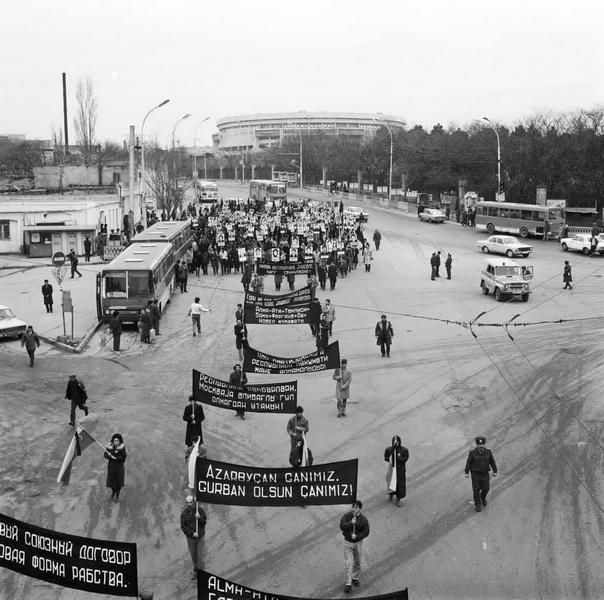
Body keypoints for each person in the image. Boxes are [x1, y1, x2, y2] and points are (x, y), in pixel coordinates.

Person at [339, 501, 370, 593]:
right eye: (353, 507)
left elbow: (366, 531)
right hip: (347, 542)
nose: (354, 509)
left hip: (358, 543)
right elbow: (342, 526)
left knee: (358, 562)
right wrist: (350, 523)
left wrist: (357, 536)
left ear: (360, 508)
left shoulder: (363, 519)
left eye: (356, 507)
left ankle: (355, 577)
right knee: (348, 563)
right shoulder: (347, 516)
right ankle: (348, 583)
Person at [464, 436, 498, 512]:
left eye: (482, 444)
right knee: (476, 490)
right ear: (477, 445)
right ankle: (478, 505)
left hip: (485, 474)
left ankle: (482, 497)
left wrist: (495, 471)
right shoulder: (472, 453)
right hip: (475, 474)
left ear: (484, 444)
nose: (480, 446)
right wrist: (466, 472)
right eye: (479, 444)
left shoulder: (488, 452)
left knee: (486, 489)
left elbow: (492, 462)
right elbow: (468, 463)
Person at [180, 495, 207, 579]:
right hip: (191, 538)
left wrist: (199, 518)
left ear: (194, 502)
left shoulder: (200, 511)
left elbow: (204, 523)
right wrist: (192, 533)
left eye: (190, 502)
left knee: (199, 556)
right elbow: (183, 527)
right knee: (194, 555)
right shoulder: (184, 514)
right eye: (187, 502)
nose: (189, 504)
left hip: (200, 537)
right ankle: (196, 571)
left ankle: (201, 572)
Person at [384, 435, 409, 506]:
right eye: (395, 442)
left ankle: (398, 499)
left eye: (397, 441)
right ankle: (391, 495)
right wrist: (389, 459)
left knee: (399, 485)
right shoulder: (390, 449)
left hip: (399, 471)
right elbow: (386, 456)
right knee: (391, 483)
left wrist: (399, 457)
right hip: (392, 470)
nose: (396, 443)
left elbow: (405, 458)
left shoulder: (404, 450)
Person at [104, 433, 127, 502]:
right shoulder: (109, 447)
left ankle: (117, 495)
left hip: (119, 467)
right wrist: (109, 456)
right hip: (111, 467)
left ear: (120, 441)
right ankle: (113, 492)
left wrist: (116, 458)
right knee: (111, 482)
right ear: (113, 441)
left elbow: (124, 457)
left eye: (117, 440)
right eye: (115, 440)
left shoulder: (122, 448)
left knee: (118, 482)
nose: (116, 442)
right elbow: (105, 454)